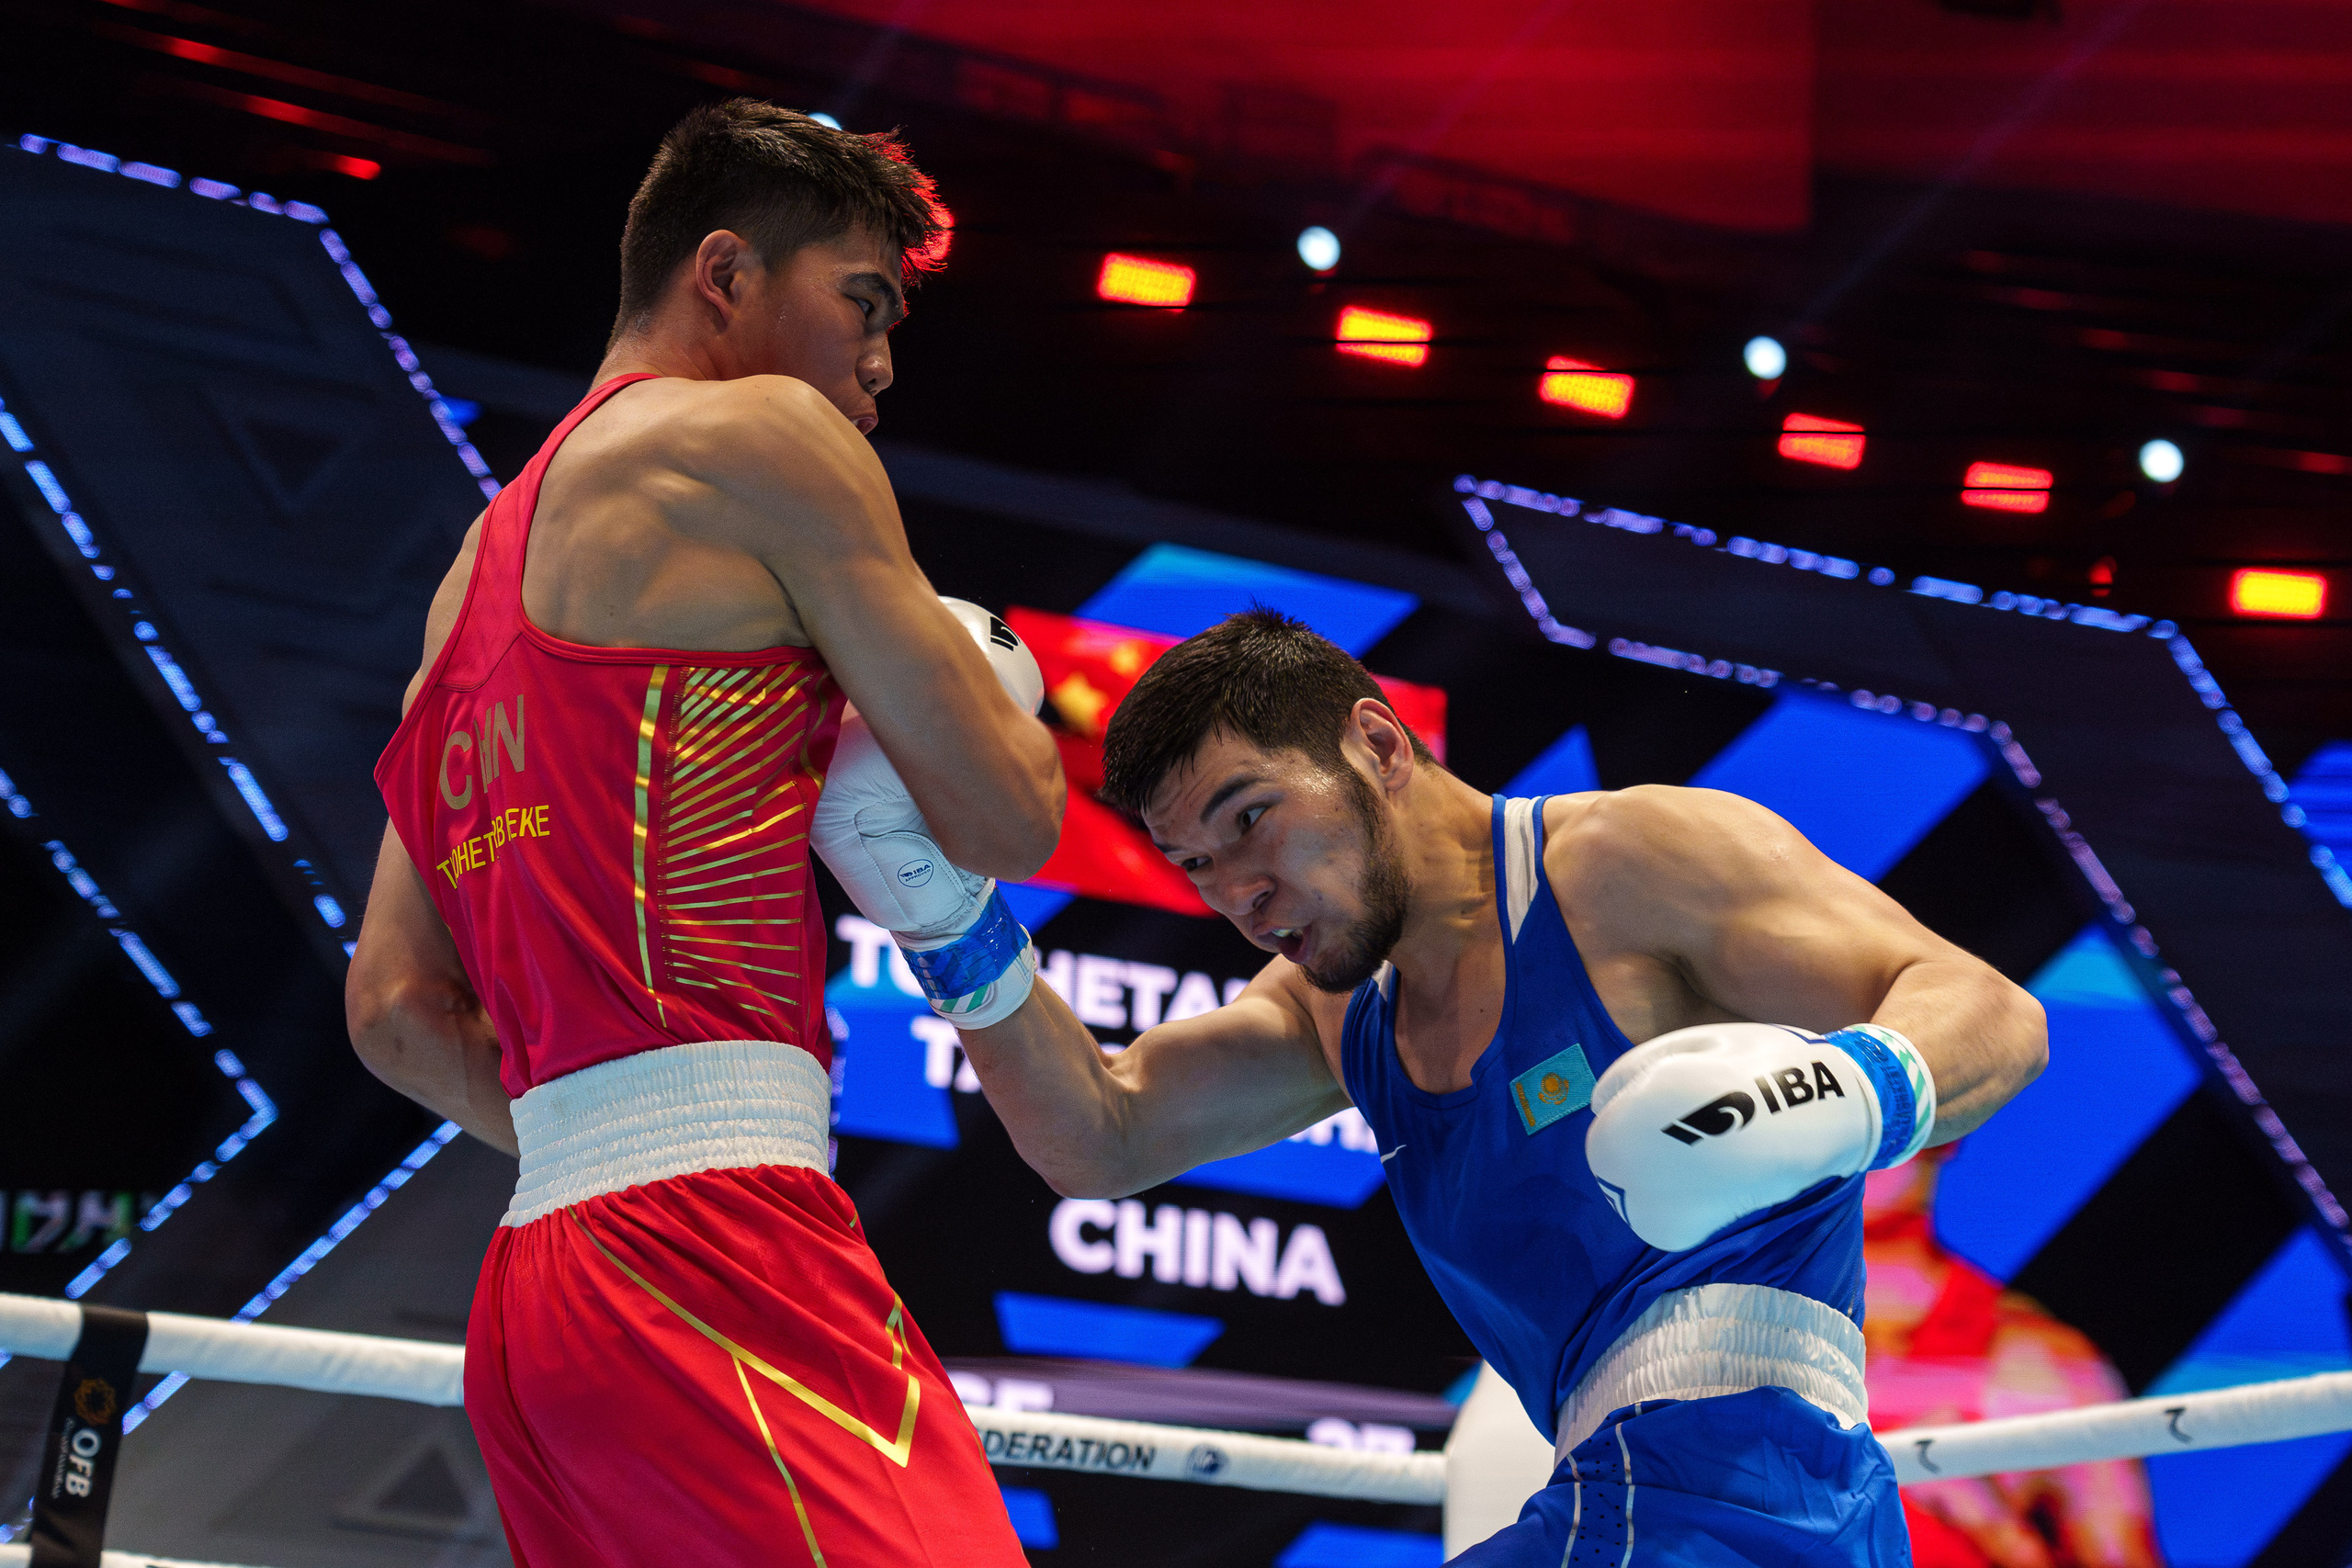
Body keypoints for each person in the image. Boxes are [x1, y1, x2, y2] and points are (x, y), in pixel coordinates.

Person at [815, 608, 2047, 1564]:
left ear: (1378, 744)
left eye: (1251, 818)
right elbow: (1103, 1132)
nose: (1238, 890)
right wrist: (939, 911)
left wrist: (1826, 1093)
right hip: (1643, 1504)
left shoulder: (1627, 862)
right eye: (1195, 863)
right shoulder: (1342, 1009)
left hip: (1751, 1490)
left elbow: (1992, 1011)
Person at [346, 99, 1058, 1566]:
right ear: (724, 273)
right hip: (714, 1246)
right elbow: (1011, 813)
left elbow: (395, 1010)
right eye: (864, 302)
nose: (881, 361)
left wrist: (615, 1139)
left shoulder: (464, 587)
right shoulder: (764, 437)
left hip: (536, 1296)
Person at [1862, 1150, 2162, 1568]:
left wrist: (1996, 1529)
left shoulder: (2040, 1364)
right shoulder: (1763, 1331)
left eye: (1880, 1121)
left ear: (1947, 1133)